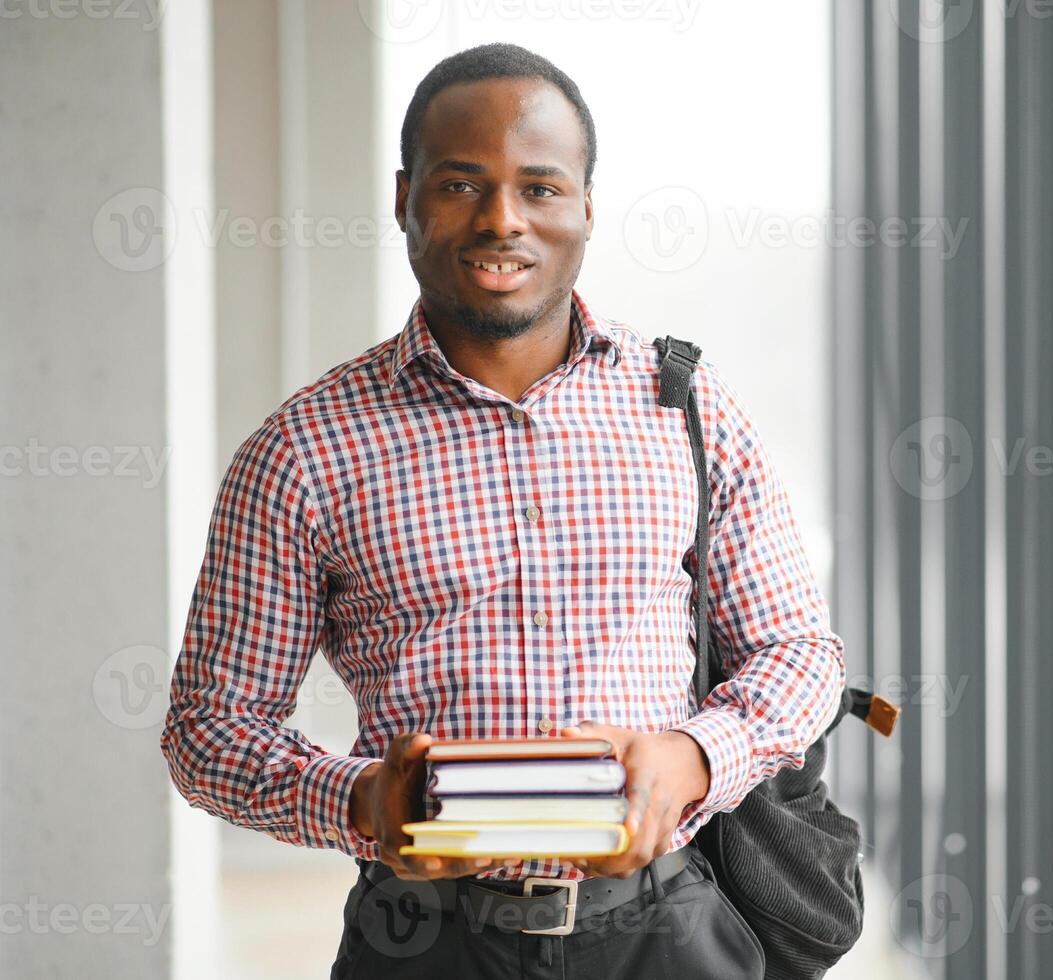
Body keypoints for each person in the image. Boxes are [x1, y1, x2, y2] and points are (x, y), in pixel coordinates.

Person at [159, 42, 846, 979]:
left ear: (587, 207)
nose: (501, 220)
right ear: (404, 197)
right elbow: (210, 729)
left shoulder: (683, 405)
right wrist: (360, 800)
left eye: (541, 187)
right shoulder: (302, 450)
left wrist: (691, 756)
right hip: (423, 939)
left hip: (666, 928)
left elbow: (799, 655)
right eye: (459, 185)